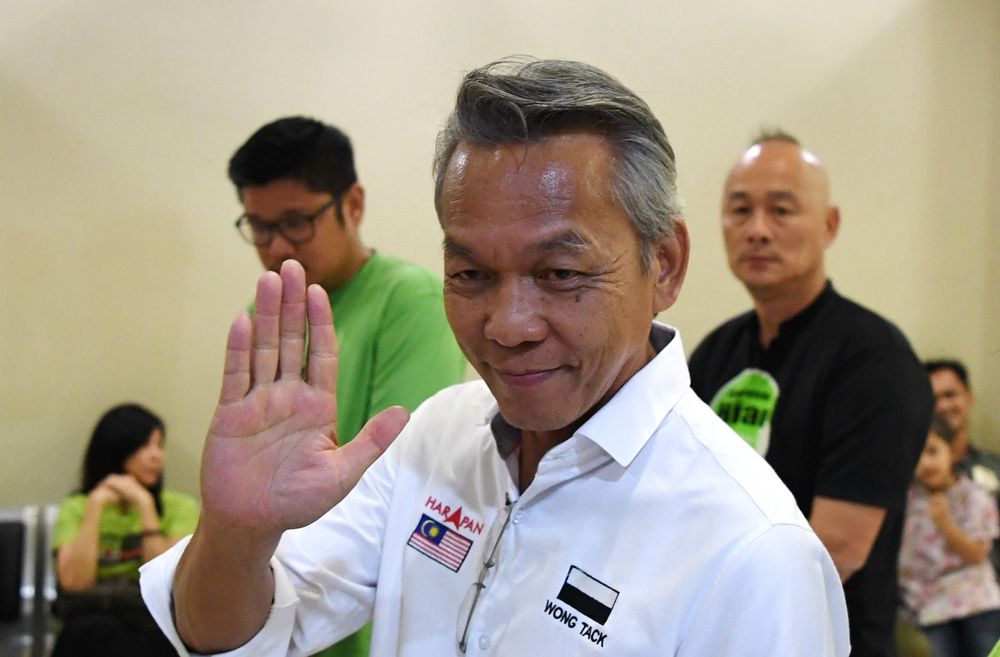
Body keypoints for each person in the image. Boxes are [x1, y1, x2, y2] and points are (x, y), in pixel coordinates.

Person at [140, 57, 849, 656]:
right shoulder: (436, 437)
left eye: (561, 274)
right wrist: (237, 529)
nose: (508, 325)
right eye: (472, 274)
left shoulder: (753, 550)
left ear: (662, 264)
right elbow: (235, 634)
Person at [229, 117, 468, 657]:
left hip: (355, 606)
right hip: (273, 591)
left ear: (353, 204)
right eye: (259, 227)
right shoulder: (269, 316)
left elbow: (392, 471)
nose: (276, 246)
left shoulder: (411, 299)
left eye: (296, 222)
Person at [688, 130, 933, 657]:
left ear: (829, 225)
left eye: (781, 210)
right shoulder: (716, 352)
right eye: (739, 210)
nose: (757, 230)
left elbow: (835, 552)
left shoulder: (874, 359)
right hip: (711, 630)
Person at [52, 403, 199, 657]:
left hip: (153, 623)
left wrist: (144, 506)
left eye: (159, 446)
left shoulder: (180, 507)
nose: (157, 456)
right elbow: (75, 584)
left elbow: (167, 583)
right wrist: (95, 507)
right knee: (95, 631)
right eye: (145, 446)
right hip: (93, 620)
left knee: (157, 633)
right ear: (116, 449)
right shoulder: (77, 507)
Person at [899, 418, 1000, 657]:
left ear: (953, 452)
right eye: (916, 454)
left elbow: (976, 554)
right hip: (929, 607)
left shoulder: (973, 497)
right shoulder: (907, 503)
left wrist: (946, 524)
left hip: (976, 602)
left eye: (932, 451)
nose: (925, 462)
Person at [926, 360, 1000, 568]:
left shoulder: (995, 469)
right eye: (932, 399)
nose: (941, 406)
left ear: (969, 397)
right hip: (919, 593)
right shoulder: (909, 475)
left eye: (950, 395)